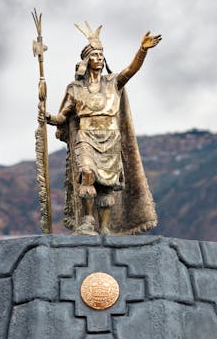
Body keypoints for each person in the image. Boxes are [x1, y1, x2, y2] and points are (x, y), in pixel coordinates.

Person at [43, 22, 160, 235]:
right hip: (85, 136)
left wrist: (142, 50)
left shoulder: (113, 83)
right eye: (95, 55)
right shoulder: (75, 89)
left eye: (101, 54)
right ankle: (87, 221)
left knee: (106, 185)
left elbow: (130, 70)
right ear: (86, 60)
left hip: (110, 136)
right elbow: (63, 116)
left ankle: (104, 227)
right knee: (87, 173)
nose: (99, 58)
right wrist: (48, 117)